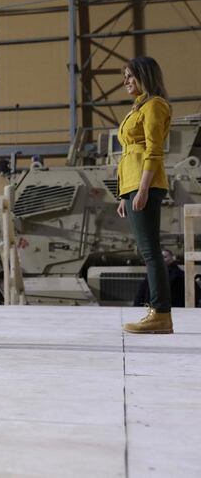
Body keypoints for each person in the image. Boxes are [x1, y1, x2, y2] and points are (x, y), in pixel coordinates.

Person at [116, 57, 173, 333]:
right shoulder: (138, 107)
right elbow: (130, 154)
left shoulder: (154, 106)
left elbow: (153, 151)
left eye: (130, 76)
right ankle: (157, 312)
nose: (125, 81)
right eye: (125, 76)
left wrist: (142, 189)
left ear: (144, 76)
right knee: (147, 250)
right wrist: (123, 194)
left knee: (151, 251)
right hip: (133, 184)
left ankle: (160, 314)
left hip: (144, 183)